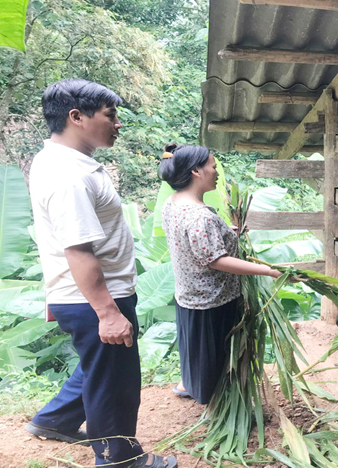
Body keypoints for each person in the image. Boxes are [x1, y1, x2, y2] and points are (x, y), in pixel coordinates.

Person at [27, 78, 177, 468]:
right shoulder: (68, 175)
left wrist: (57, 294)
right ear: (77, 117)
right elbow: (77, 248)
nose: (118, 124)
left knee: (99, 364)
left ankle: (55, 420)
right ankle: (119, 459)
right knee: (115, 382)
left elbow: (55, 238)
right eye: (111, 116)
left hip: (78, 295)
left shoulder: (63, 163)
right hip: (97, 296)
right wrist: (107, 312)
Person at [158, 143, 284, 405]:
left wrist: (225, 231)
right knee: (213, 356)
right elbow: (217, 260)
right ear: (196, 171)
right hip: (212, 298)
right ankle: (213, 404)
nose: (216, 172)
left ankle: (190, 384)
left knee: (194, 349)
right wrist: (269, 271)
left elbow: (191, 240)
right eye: (213, 167)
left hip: (188, 294)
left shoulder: (173, 203)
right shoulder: (200, 217)